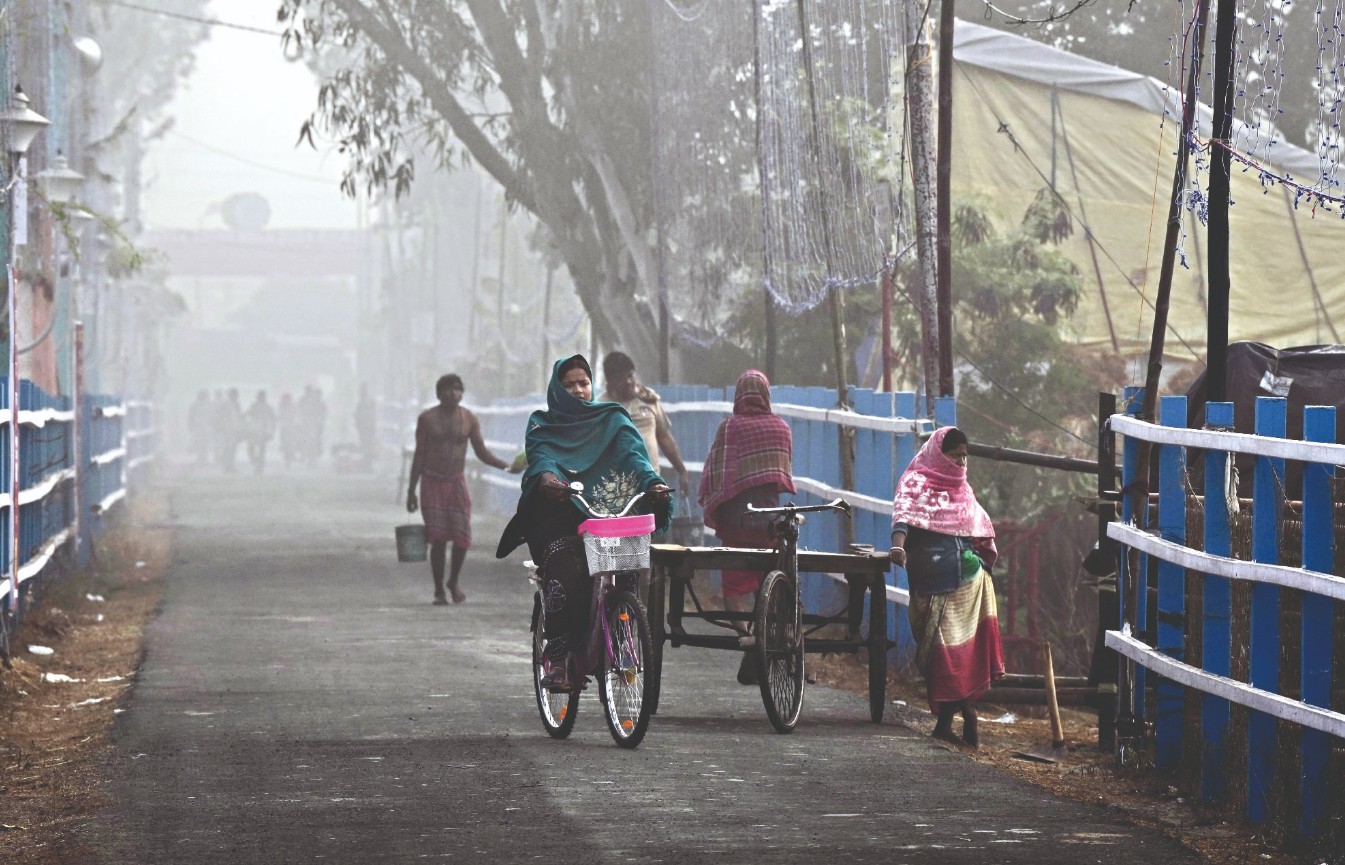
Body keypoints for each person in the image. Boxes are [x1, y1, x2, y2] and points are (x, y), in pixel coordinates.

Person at [496, 355, 672, 691]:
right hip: (559, 513)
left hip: (608, 514)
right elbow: (542, 457)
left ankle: (621, 641)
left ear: (593, 385)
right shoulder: (542, 424)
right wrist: (549, 480)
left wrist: (653, 483)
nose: (578, 390)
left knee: (627, 573)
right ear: (557, 390)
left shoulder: (613, 418)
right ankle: (559, 659)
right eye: (569, 385)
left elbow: (634, 457)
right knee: (567, 570)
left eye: (583, 382)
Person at [887, 426, 1003, 748]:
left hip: (969, 583)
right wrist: (898, 547)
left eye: (965, 456)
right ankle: (955, 720)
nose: (961, 462)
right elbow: (903, 518)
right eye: (955, 456)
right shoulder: (915, 483)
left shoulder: (963, 487)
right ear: (939, 455)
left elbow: (978, 527)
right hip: (932, 579)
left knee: (957, 654)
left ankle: (964, 718)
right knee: (944, 654)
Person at [698, 369, 796, 685]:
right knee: (770, 576)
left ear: (738, 395)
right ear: (766, 394)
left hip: (736, 524)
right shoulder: (781, 428)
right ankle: (768, 630)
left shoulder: (730, 428)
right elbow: (780, 476)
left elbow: (718, 474)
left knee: (735, 587)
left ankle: (748, 636)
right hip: (769, 524)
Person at [407, 373, 515, 605]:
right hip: (432, 482)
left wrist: (506, 467)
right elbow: (420, 455)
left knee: (462, 535)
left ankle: (453, 581)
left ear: (462, 393)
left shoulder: (469, 419)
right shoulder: (427, 419)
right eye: (447, 389)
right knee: (437, 538)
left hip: (456, 482)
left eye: (457, 389)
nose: (452, 393)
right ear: (438, 393)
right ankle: (439, 590)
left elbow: (481, 452)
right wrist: (410, 491)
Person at [600, 351, 690, 495]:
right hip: (617, 488)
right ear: (611, 382)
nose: (629, 381)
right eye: (622, 378)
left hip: (651, 484)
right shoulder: (600, 407)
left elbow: (664, 437)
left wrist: (682, 471)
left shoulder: (648, 398)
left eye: (630, 375)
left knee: (654, 517)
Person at [243, 390, 278, 475]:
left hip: (259, 430)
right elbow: (246, 415)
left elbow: (272, 419)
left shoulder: (264, 407)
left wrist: (272, 430)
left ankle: (258, 464)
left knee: (256, 448)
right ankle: (258, 463)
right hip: (257, 430)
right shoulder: (258, 406)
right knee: (257, 449)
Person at [214, 388, 243, 473]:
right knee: (227, 448)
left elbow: (239, 417)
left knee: (233, 448)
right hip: (226, 429)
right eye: (234, 395)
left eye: (236, 395)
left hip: (235, 429)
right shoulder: (225, 405)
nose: (235, 397)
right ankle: (226, 466)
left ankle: (230, 465)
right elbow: (219, 416)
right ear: (230, 395)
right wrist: (219, 427)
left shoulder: (237, 405)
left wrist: (241, 429)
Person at [354, 382, 377, 468]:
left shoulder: (366, 402)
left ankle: (367, 464)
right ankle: (367, 464)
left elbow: (369, 415)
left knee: (367, 446)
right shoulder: (365, 402)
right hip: (365, 428)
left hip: (366, 428)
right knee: (366, 446)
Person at [187, 390, 212, 465]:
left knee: (204, 443)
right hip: (198, 427)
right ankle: (201, 458)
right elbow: (191, 416)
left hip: (204, 427)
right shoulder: (195, 405)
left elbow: (211, 416)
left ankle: (203, 459)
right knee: (200, 443)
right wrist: (190, 425)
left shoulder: (207, 405)